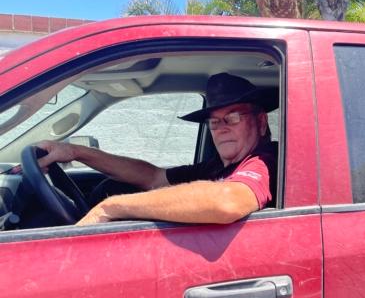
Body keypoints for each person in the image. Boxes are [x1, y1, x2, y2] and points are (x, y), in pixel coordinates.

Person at [35, 73, 278, 226]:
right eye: (214, 122)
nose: (221, 128)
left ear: (260, 122)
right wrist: (76, 152)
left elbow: (228, 201)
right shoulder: (215, 167)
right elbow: (153, 177)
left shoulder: (267, 160)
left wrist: (111, 207)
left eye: (233, 118)